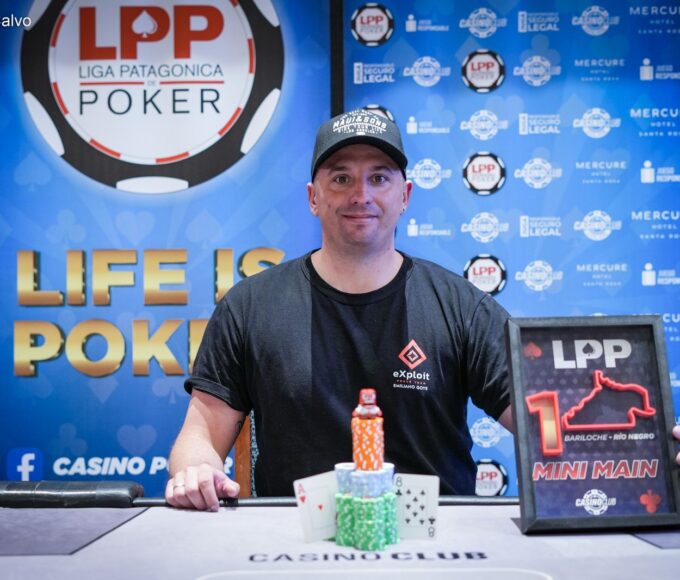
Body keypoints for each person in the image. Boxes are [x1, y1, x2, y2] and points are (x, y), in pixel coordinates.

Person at [166, 109, 680, 511]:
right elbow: (199, 435)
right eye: (341, 178)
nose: (361, 194)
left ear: (405, 195)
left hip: (443, 547)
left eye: (380, 178)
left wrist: (649, 452)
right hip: (296, 545)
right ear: (313, 197)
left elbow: (546, 424)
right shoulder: (250, 306)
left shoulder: (460, 306)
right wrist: (196, 471)